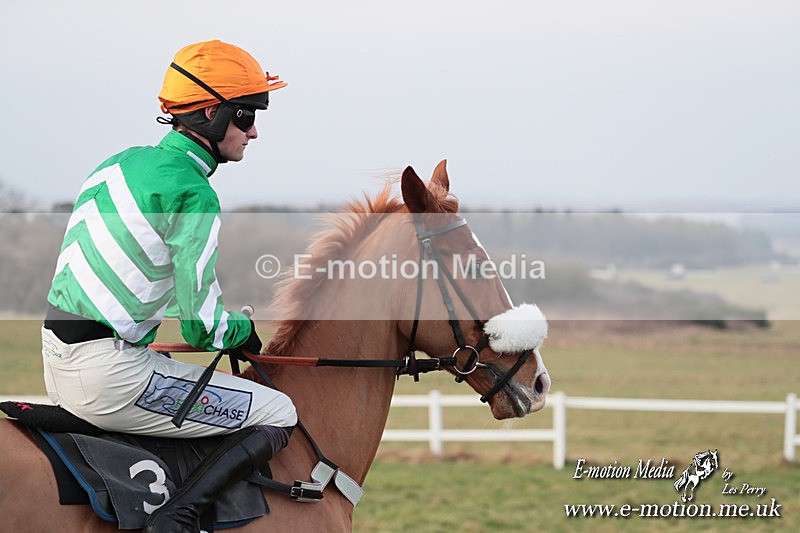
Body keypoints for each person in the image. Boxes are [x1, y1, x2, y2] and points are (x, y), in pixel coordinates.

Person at [41, 40, 297, 532]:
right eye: (246, 116)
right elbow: (203, 326)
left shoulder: (118, 163)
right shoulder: (193, 191)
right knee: (279, 409)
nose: (255, 130)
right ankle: (176, 518)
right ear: (210, 113)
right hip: (110, 378)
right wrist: (240, 330)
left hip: (59, 359)